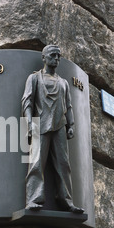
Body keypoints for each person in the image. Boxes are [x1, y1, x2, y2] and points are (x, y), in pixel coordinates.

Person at [22, 45, 84, 213]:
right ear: (44, 58)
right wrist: (29, 123)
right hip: (40, 125)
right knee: (36, 164)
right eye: (53, 55)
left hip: (59, 127)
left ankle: (66, 201)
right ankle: (33, 199)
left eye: (59, 56)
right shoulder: (34, 78)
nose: (57, 58)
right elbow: (27, 102)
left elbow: (68, 107)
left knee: (63, 164)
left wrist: (71, 125)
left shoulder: (63, 83)